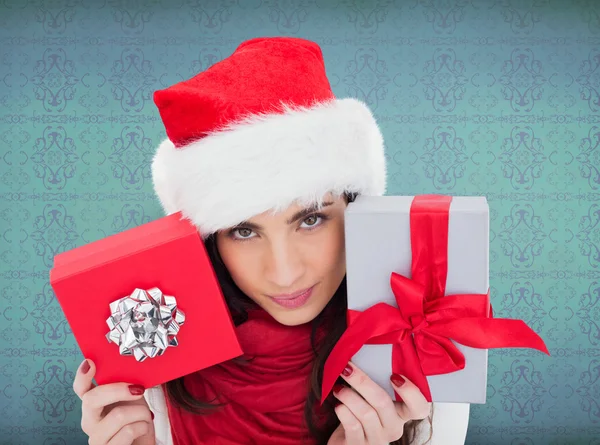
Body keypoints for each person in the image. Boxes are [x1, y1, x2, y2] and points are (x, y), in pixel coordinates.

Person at [72, 37, 470, 445]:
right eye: (244, 231)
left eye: (311, 219)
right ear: (209, 241)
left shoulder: (420, 364)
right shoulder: (156, 369)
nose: (284, 273)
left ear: (355, 211)